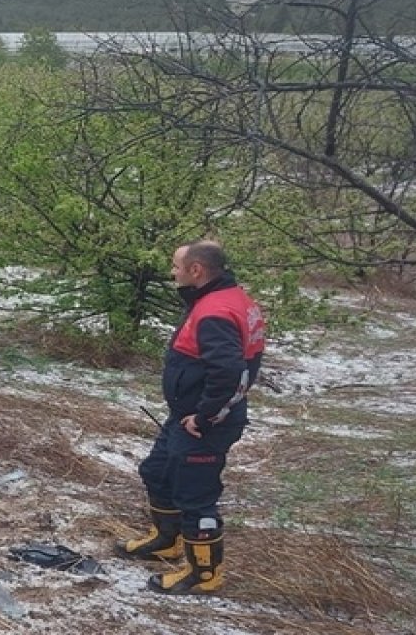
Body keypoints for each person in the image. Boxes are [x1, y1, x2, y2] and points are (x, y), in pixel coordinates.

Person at [116, 240, 265, 595]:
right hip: (185, 415)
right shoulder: (225, 299)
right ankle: (167, 541)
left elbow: (230, 373)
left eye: (176, 265)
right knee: (156, 471)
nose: (172, 272)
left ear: (196, 270)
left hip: (205, 423)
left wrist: (205, 417)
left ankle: (204, 574)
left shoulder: (215, 311)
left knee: (195, 498)